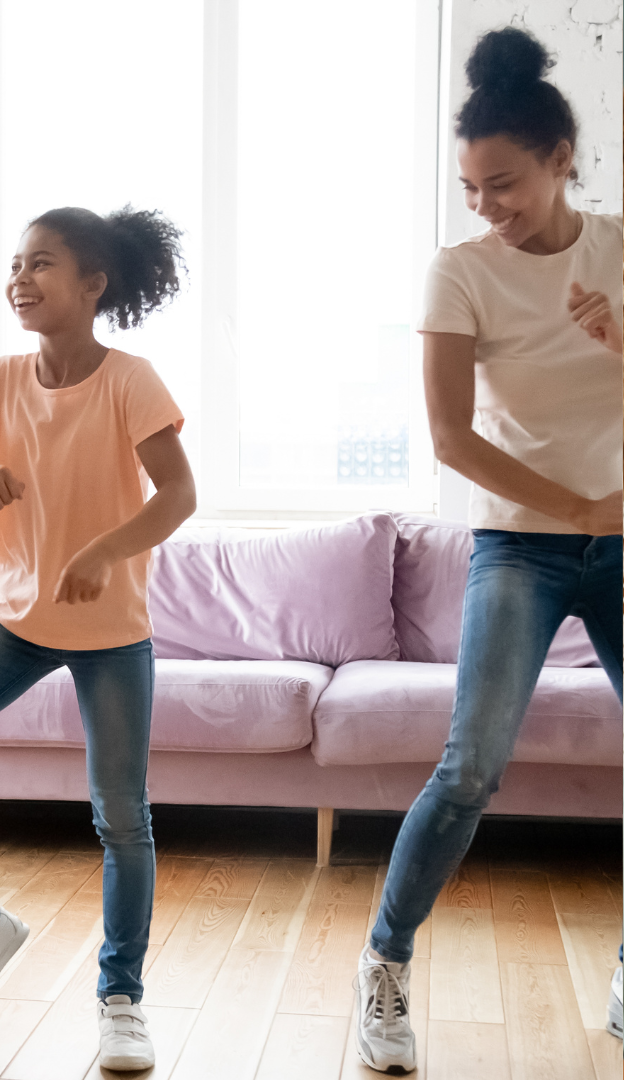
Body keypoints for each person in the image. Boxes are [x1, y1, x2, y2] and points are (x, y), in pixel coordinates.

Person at [353, 27, 623, 1074]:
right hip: (523, 544)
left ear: (561, 159)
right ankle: (385, 964)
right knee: (471, 768)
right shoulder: (459, 274)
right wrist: (581, 508)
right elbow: (455, 439)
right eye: (471, 187)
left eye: (502, 182)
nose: (486, 206)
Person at [0, 205, 196, 1070]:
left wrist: (107, 550)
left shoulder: (131, 380)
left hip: (111, 633)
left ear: (93, 283)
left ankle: (121, 997)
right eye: (15, 265)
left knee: (122, 818)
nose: (19, 279)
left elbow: (178, 497)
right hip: (17, 619)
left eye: (42, 264)